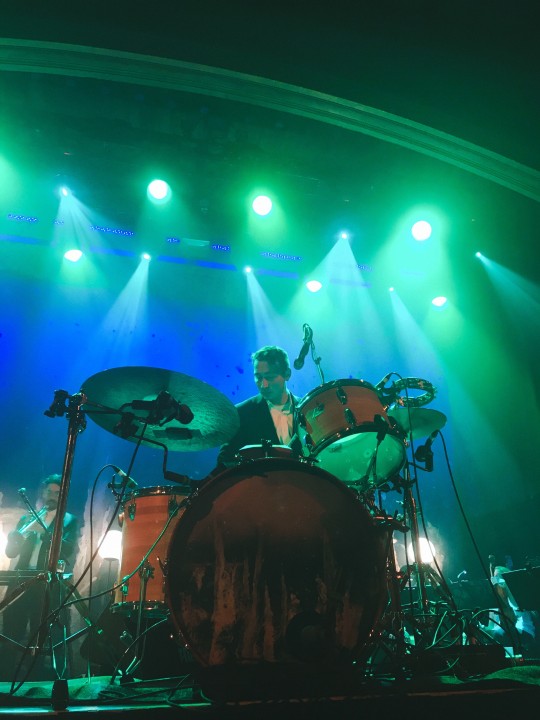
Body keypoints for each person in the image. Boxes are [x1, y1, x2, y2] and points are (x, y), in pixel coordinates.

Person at [1, 474, 79, 679]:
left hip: (45, 583)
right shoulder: (27, 518)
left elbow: (67, 549)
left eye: (57, 493)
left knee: (39, 633)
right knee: (10, 629)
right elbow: (11, 553)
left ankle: (34, 682)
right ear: (43, 492)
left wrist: (44, 532)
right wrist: (14, 538)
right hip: (21, 579)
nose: (52, 496)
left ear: (63, 495)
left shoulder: (68, 520)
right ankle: (4, 678)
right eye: (49, 491)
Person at [216, 345, 303, 468]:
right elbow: (224, 464)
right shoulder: (240, 413)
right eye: (258, 377)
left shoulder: (307, 409)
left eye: (270, 377)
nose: (264, 385)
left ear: (287, 374)